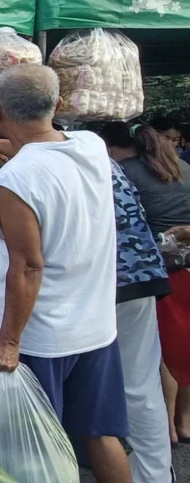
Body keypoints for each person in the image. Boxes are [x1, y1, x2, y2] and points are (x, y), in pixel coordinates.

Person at [0, 65, 131, 483]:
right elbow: (44, 154)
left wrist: (8, 340)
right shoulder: (91, 145)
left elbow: (28, 265)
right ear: (59, 105)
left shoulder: (14, 180)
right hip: (96, 328)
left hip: (40, 337)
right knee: (100, 434)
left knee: (34, 446)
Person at [99, 121, 190, 449]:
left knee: (159, 353)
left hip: (160, 273)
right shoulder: (181, 167)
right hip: (185, 269)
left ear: (108, 148)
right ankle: (183, 420)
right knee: (182, 349)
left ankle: (164, 428)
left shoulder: (123, 173)